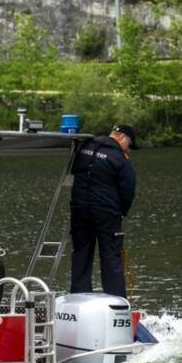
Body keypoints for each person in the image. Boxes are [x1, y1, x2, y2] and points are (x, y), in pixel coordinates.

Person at [70, 123, 137, 297]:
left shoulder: (85, 147)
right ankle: (116, 302)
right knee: (111, 256)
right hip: (106, 213)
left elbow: (75, 170)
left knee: (81, 254)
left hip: (79, 209)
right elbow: (128, 189)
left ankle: (79, 297)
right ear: (122, 138)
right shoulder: (119, 158)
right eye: (129, 145)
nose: (128, 150)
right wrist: (122, 211)